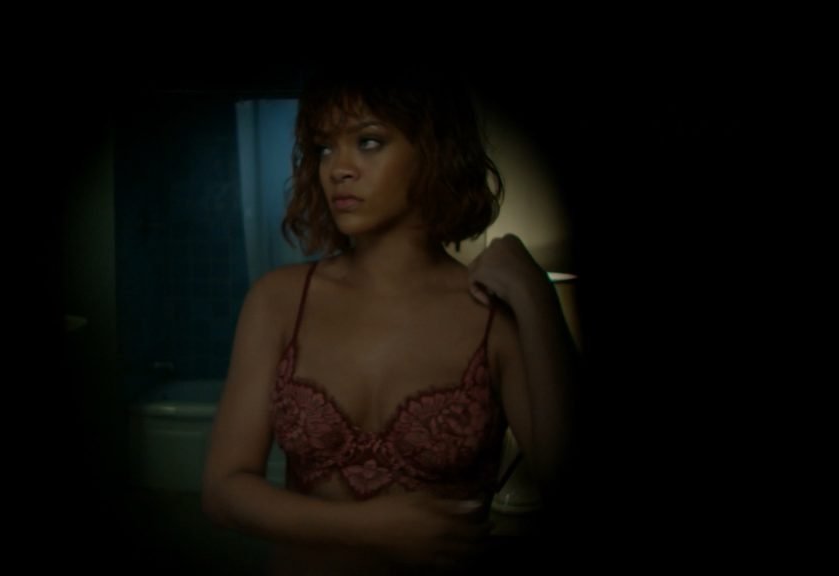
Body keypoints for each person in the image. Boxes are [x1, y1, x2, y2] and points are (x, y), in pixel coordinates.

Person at [202, 66, 576, 574]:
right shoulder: (278, 300)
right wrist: (372, 526)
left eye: (369, 141)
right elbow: (223, 491)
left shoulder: (493, 315)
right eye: (324, 148)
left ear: (434, 150)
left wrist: (537, 299)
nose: (338, 169)